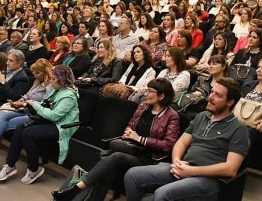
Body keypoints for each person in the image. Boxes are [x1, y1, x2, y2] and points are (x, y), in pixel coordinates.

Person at [52, 78, 180, 201]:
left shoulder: (172, 116)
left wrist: (140, 139)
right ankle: (83, 194)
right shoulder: (143, 106)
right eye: (146, 90)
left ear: (162, 96)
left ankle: (75, 189)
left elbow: (168, 145)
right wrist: (128, 132)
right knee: (109, 164)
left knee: (114, 157)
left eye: (150, 91)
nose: (145, 94)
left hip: (150, 158)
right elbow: (131, 124)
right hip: (132, 149)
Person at [124, 77, 248, 201]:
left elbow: (231, 169)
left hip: (208, 179)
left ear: (230, 102)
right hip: (184, 167)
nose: (210, 97)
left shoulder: (239, 129)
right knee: (132, 175)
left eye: (218, 95)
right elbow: (182, 142)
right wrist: (176, 162)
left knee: (162, 194)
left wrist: (192, 171)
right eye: (212, 92)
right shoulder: (202, 116)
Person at [0, 65, 79, 184]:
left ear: (62, 80)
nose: (50, 81)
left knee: (27, 134)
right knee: (20, 128)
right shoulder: (57, 90)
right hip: (49, 121)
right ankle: (9, 165)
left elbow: (54, 115)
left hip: (61, 127)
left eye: (53, 79)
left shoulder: (69, 96)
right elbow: (45, 105)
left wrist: (35, 105)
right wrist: (27, 104)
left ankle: (34, 169)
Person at [0, 59, 54, 174]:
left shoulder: (50, 86)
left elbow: (44, 104)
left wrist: (24, 103)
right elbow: (27, 95)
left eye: (37, 73)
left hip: (35, 115)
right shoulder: (37, 82)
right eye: (34, 73)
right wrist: (20, 101)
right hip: (25, 109)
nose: (35, 75)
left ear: (45, 72)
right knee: (2, 115)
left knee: (1, 126)